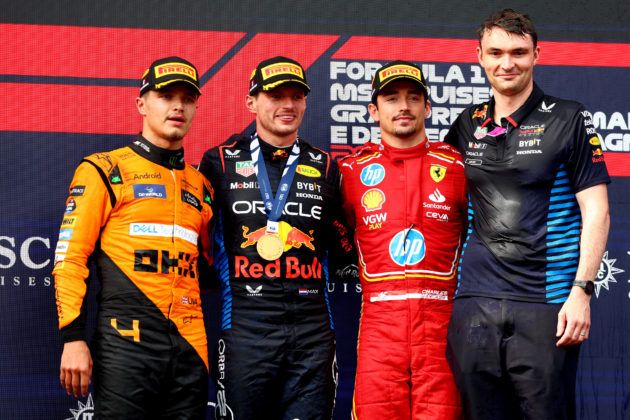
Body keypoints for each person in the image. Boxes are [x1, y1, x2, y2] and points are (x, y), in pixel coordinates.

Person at [444, 9, 611, 420]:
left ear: (537, 54)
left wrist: (581, 292)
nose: (507, 63)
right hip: (475, 301)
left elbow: (597, 211)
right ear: (479, 56)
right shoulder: (466, 124)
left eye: (518, 52)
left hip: (546, 302)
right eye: (496, 53)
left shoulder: (569, 117)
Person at [53, 56, 214, 418]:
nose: (178, 106)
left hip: (191, 345)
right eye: (166, 96)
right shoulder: (105, 169)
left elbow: (210, 263)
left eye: (187, 99)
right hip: (126, 343)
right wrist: (72, 338)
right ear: (141, 104)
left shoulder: (202, 185)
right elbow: (70, 257)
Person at [198, 56, 355, 420]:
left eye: (296, 96)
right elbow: (198, 241)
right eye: (275, 96)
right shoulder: (219, 162)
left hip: (313, 334)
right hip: (246, 328)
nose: (288, 105)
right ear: (251, 102)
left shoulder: (325, 165)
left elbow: (344, 247)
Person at [338, 61, 466, 419]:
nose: (404, 107)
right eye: (392, 98)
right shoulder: (352, 170)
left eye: (413, 98)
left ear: (428, 107)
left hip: (442, 321)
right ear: (373, 110)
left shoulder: (457, 166)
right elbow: (340, 232)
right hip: (380, 320)